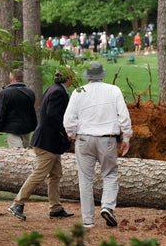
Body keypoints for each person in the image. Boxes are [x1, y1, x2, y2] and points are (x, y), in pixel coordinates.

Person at [63, 61, 133, 228]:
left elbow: (68, 119)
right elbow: (124, 116)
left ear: (87, 76)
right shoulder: (113, 90)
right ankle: (107, 206)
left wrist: (71, 134)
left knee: (85, 179)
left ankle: (88, 220)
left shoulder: (78, 92)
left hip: (84, 139)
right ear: (102, 75)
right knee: (109, 174)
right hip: (107, 139)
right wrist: (126, 138)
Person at [8, 69, 76, 221]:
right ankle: (17, 203)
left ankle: (56, 208)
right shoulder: (58, 92)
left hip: (50, 142)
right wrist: (67, 132)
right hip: (47, 142)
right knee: (39, 174)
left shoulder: (53, 89)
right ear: (69, 78)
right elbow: (53, 116)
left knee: (56, 174)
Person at [0, 69, 37, 148]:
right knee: (25, 151)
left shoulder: (5, 93)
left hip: (12, 128)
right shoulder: (30, 92)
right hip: (27, 127)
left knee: (18, 153)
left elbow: (0, 113)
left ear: (11, 78)